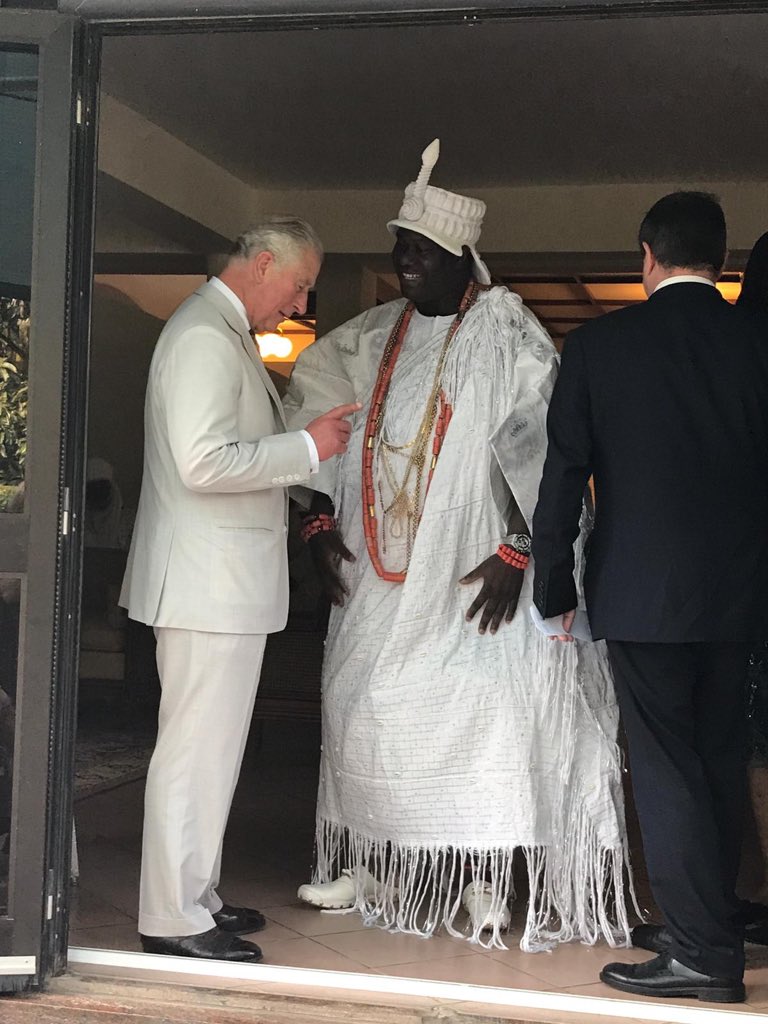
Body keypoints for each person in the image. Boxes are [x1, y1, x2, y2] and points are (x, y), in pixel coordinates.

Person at [283, 140, 633, 952]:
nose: (405, 260)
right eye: (400, 246)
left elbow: (549, 450)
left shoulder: (506, 334)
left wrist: (521, 548)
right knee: (361, 709)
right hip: (378, 577)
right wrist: (315, 520)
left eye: (422, 249)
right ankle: (373, 864)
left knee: (483, 719)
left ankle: (482, 876)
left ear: (461, 257)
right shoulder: (370, 337)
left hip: (479, 569)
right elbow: (317, 417)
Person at [532, 192, 768, 1003]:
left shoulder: (602, 345)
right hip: (741, 592)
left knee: (667, 766)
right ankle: (711, 920)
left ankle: (702, 954)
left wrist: (554, 583)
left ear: (647, 256)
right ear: (722, 262)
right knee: (718, 756)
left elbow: (563, 472)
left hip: (641, 592)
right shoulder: (757, 340)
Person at [120, 217, 359, 963]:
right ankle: (172, 914)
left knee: (215, 752)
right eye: (299, 285)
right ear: (262, 264)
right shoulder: (202, 335)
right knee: (194, 752)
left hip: (219, 583)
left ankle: (198, 895)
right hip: (205, 584)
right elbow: (203, 462)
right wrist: (306, 448)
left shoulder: (225, 332)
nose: (301, 302)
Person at [84, 457, 134, 550]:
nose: (98, 492)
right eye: (93, 487)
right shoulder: (78, 525)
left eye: (102, 486)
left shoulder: (129, 523)